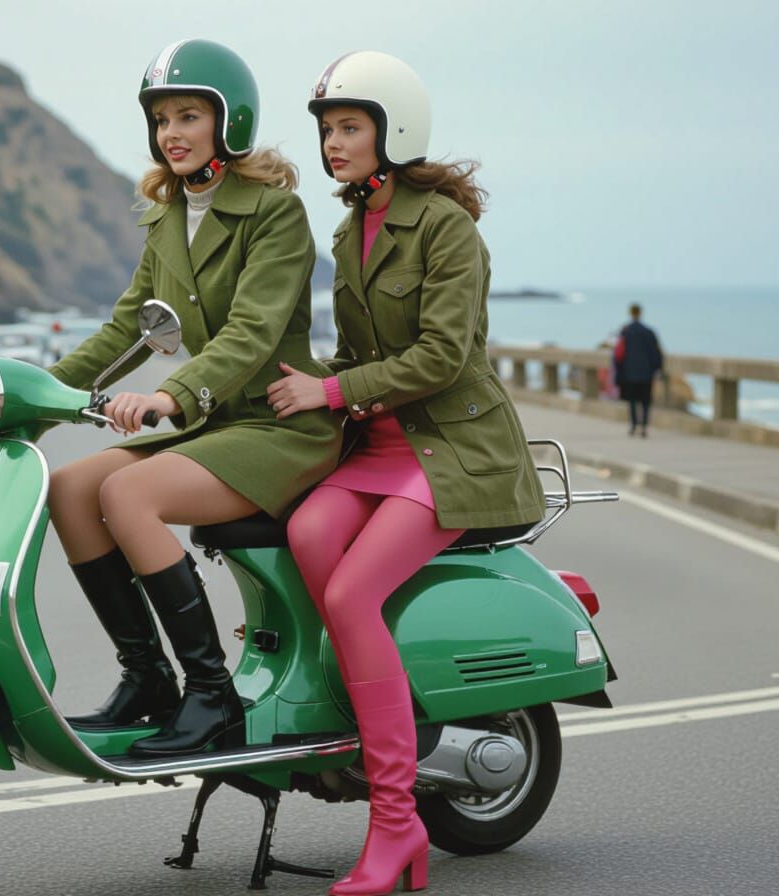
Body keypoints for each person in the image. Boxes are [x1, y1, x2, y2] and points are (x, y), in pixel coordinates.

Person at [267, 51, 545, 895]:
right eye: (327, 130)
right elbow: (353, 355)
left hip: (450, 448)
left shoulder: (446, 227)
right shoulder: (351, 232)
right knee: (305, 531)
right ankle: (371, 709)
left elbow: (440, 355)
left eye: (350, 127)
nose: (335, 143)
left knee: (351, 598)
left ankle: (396, 823)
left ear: (394, 132)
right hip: (379, 445)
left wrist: (334, 388)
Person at [45, 38, 341, 759]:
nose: (170, 133)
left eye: (188, 115)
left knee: (131, 495)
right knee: (69, 489)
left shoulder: (275, 213)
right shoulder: (165, 217)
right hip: (211, 422)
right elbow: (127, 328)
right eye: (161, 119)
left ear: (227, 121)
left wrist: (168, 397)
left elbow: (249, 333)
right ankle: (146, 679)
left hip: (275, 424)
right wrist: (37, 389)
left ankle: (210, 697)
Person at [613, 303, 663, 436]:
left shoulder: (625, 331)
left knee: (632, 400)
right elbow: (656, 353)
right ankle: (644, 426)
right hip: (646, 373)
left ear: (630, 313)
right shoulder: (648, 332)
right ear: (640, 313)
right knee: (645, 400)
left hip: (630, 373)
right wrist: (657, 369)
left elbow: (618, 354)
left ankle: (634, 425)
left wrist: (619, 371)